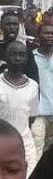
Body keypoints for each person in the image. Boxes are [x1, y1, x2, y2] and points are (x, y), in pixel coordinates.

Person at [0, 41, 40, 178]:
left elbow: (31, 117)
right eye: (13, 54)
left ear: (26, 58)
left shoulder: (33, 86)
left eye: (21, 55)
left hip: (25, 145)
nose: (17, 58)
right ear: (5, 57)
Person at [32, 23, 53, 157]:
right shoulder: (30, 57)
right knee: (36, 150)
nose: (50, 36)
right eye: (46, 33)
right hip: (38, 112)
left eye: (52, 33)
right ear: (38, 37)